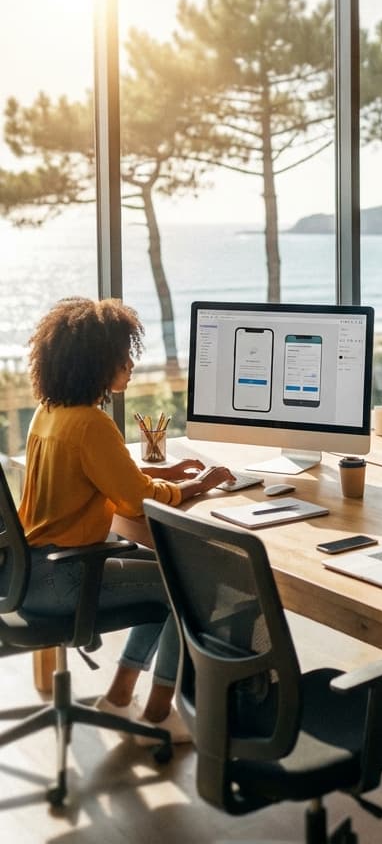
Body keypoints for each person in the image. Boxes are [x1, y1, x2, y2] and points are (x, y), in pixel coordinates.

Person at [17, 297, 232, 744]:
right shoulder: (92, 424)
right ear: (97, 362)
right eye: (123, 355)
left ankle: (119, 695)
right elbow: (136, 503)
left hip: (26, 572)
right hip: (64, 578)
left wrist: (165, 472)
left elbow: (102, 474)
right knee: (191, 586)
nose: (131, 364)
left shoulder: (51, 413)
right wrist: (199, 485)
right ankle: (158, 711)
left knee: (162, 576)